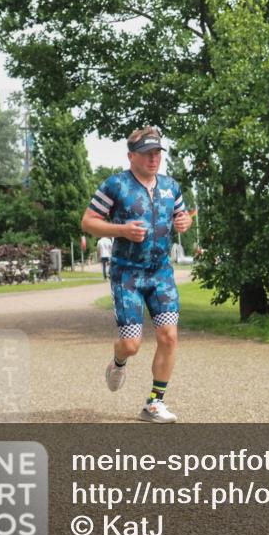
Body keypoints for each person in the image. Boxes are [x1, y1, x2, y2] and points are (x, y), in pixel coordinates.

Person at [81, 127, 192, 423]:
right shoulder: (115, 185)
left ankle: (154, 403)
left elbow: (183, 217)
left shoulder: (171, 187)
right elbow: (88, 221)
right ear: (131, 156)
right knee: (131, 344)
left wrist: (184, 223)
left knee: (168, 336)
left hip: (161, 274)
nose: (153, 159)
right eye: (146, 154)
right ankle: (118, 362)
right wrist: (122, 230)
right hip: (127, 274)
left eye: (157, 153)